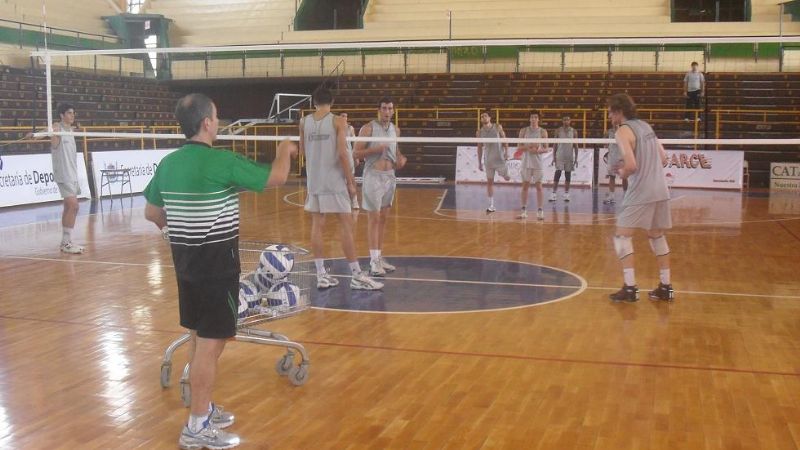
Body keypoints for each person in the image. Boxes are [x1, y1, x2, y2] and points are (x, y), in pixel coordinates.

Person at [143, 93, 297, 449]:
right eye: (216, 117)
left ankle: (202, 409)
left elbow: (152, 213)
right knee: (211, 345)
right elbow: (277, 176)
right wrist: (285, 149)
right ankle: (197, 426)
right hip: (216, 269)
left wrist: (175, 230)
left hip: (186, 267)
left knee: (201, 338)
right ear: (207, 123)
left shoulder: (168, 164)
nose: (218, 122)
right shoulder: (222, 161)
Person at [299, 89, 383, 290]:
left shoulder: (303, 122)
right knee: (346, 225)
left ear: (314, 102)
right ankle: (356, 275)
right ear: (332, 101)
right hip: (334, 181)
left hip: (314, 182)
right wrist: (351, 181)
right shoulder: (338, 121)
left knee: (317, 225)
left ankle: (321, 275)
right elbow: (343, 154)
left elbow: (302, 150)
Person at [607, 93, 674, 303]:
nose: (609, 116)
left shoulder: (622, 131)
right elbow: (663, 158)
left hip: (641, 190)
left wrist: (622, 172)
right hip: (660, 189)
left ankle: (630, 287)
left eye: (611, 112)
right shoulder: (646, 126)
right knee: (657, 236)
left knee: (622, 237)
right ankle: (666, 287)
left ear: (619, 112)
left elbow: (631, 166)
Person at [353, 97, 407, 277]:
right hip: (373, 176)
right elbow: (355, 153)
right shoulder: (368, 128)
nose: (387, 111)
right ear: (379, 110)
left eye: (390, 108)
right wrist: (374, 150)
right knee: (374, 218)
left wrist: (400, 159)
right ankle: (373, 261)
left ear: (393, 111)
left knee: (383, 218)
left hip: (389, 176)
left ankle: (378, 256)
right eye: (384, 108)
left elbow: (396, 151)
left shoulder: (395, 130)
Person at [50, 103, 84, 254]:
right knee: (74, 206)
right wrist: (36, 133)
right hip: (64, 174)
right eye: (69, 113)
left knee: (68, 207)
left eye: (73, 113)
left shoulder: (70, 130)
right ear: (62, 115)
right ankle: (66, 243)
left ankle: (65, 242)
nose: (73, 115)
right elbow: (49, 130)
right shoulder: (57, 128)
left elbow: (75, 128)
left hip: (72, 173)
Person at [516, 111, 548, 220]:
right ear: (529, 119)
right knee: (525, 186)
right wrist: (528, 147)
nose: (533, 119)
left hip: (538, 163)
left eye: (535, 117)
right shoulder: (524, 131)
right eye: (532, 117)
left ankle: (540, 211)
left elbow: (546, 148)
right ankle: (523, 210)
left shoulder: (543, 131)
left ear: (538, 119)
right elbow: (519, 147)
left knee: (539, 186)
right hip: (526, 162)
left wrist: (538, 150)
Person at [476, 111, 510, 213]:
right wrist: (479, 162)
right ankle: (491, 205)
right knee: (490, 182)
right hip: (488, 161)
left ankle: (503, 173)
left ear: (490, 118)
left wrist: (507, 152)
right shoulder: (479, 132)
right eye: (482, 116)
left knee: (507, 178)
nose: (483, 118)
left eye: (485, 116)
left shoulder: (497, 127)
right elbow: (479, 148)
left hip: (500, 159)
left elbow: (504, 140)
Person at [550, 116, 579, 202]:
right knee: (557, 173)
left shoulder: (574, 131)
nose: (566, 121)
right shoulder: (558, 130)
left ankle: (566, 194)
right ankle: (554, 193)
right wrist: (553, 157)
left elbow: (576, 145)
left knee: (568, 175)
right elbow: (555, 144)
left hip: (569, 156)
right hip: (560, 155)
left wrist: (576, 158)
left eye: (567, 120)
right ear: (562, 121)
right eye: (564, 120)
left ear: (570, 121)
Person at [603, 123, 628, 204]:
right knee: (612, 177)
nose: (615, 123)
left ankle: (626, 195)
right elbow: (605, 143)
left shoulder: (624, 131)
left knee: (624, 177)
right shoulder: (608, 132)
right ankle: (611, 196)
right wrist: (606, 143)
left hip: (621, 156)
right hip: (612, 156)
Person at [340, 112, 360, 209]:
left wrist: (356, 157)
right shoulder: (334, 128)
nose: (345, 118)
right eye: (342, 116)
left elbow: (355, 143)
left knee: (351, 178)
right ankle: (342, 201)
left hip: (348, 155)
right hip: (338, 156)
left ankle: (354, 200)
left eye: (346, 116)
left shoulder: (350, 128)